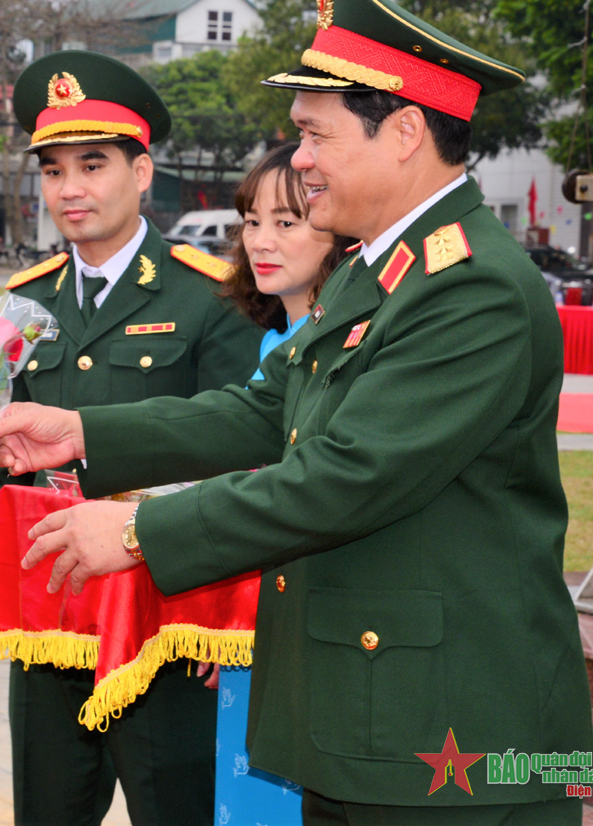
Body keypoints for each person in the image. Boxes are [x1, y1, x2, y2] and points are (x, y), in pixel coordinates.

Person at [0, 0, 593, 825]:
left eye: (316, 134)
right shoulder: (379, 270)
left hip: (454, 740)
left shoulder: (470, 286)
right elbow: (270, 410)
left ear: (406, 131)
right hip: (369, 724)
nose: (298, 160)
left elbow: (348, 476)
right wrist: (85, 431)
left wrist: (135, 528)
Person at [0, 49, 263, 826]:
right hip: (48, 613)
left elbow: (243, 450)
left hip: (164, 617)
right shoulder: (24, 304)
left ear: (143, 170)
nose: (70, 188)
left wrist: (220, 608)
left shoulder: (210, 296)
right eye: (53, 171)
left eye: (93, 164)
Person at [210, 141, 356, 823]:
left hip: (307, 622)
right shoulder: (274, 346)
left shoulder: (355, 340)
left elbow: (316, 491)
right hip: (255, 619)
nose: (260, 241)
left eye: (286, 221)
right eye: (250, 219)